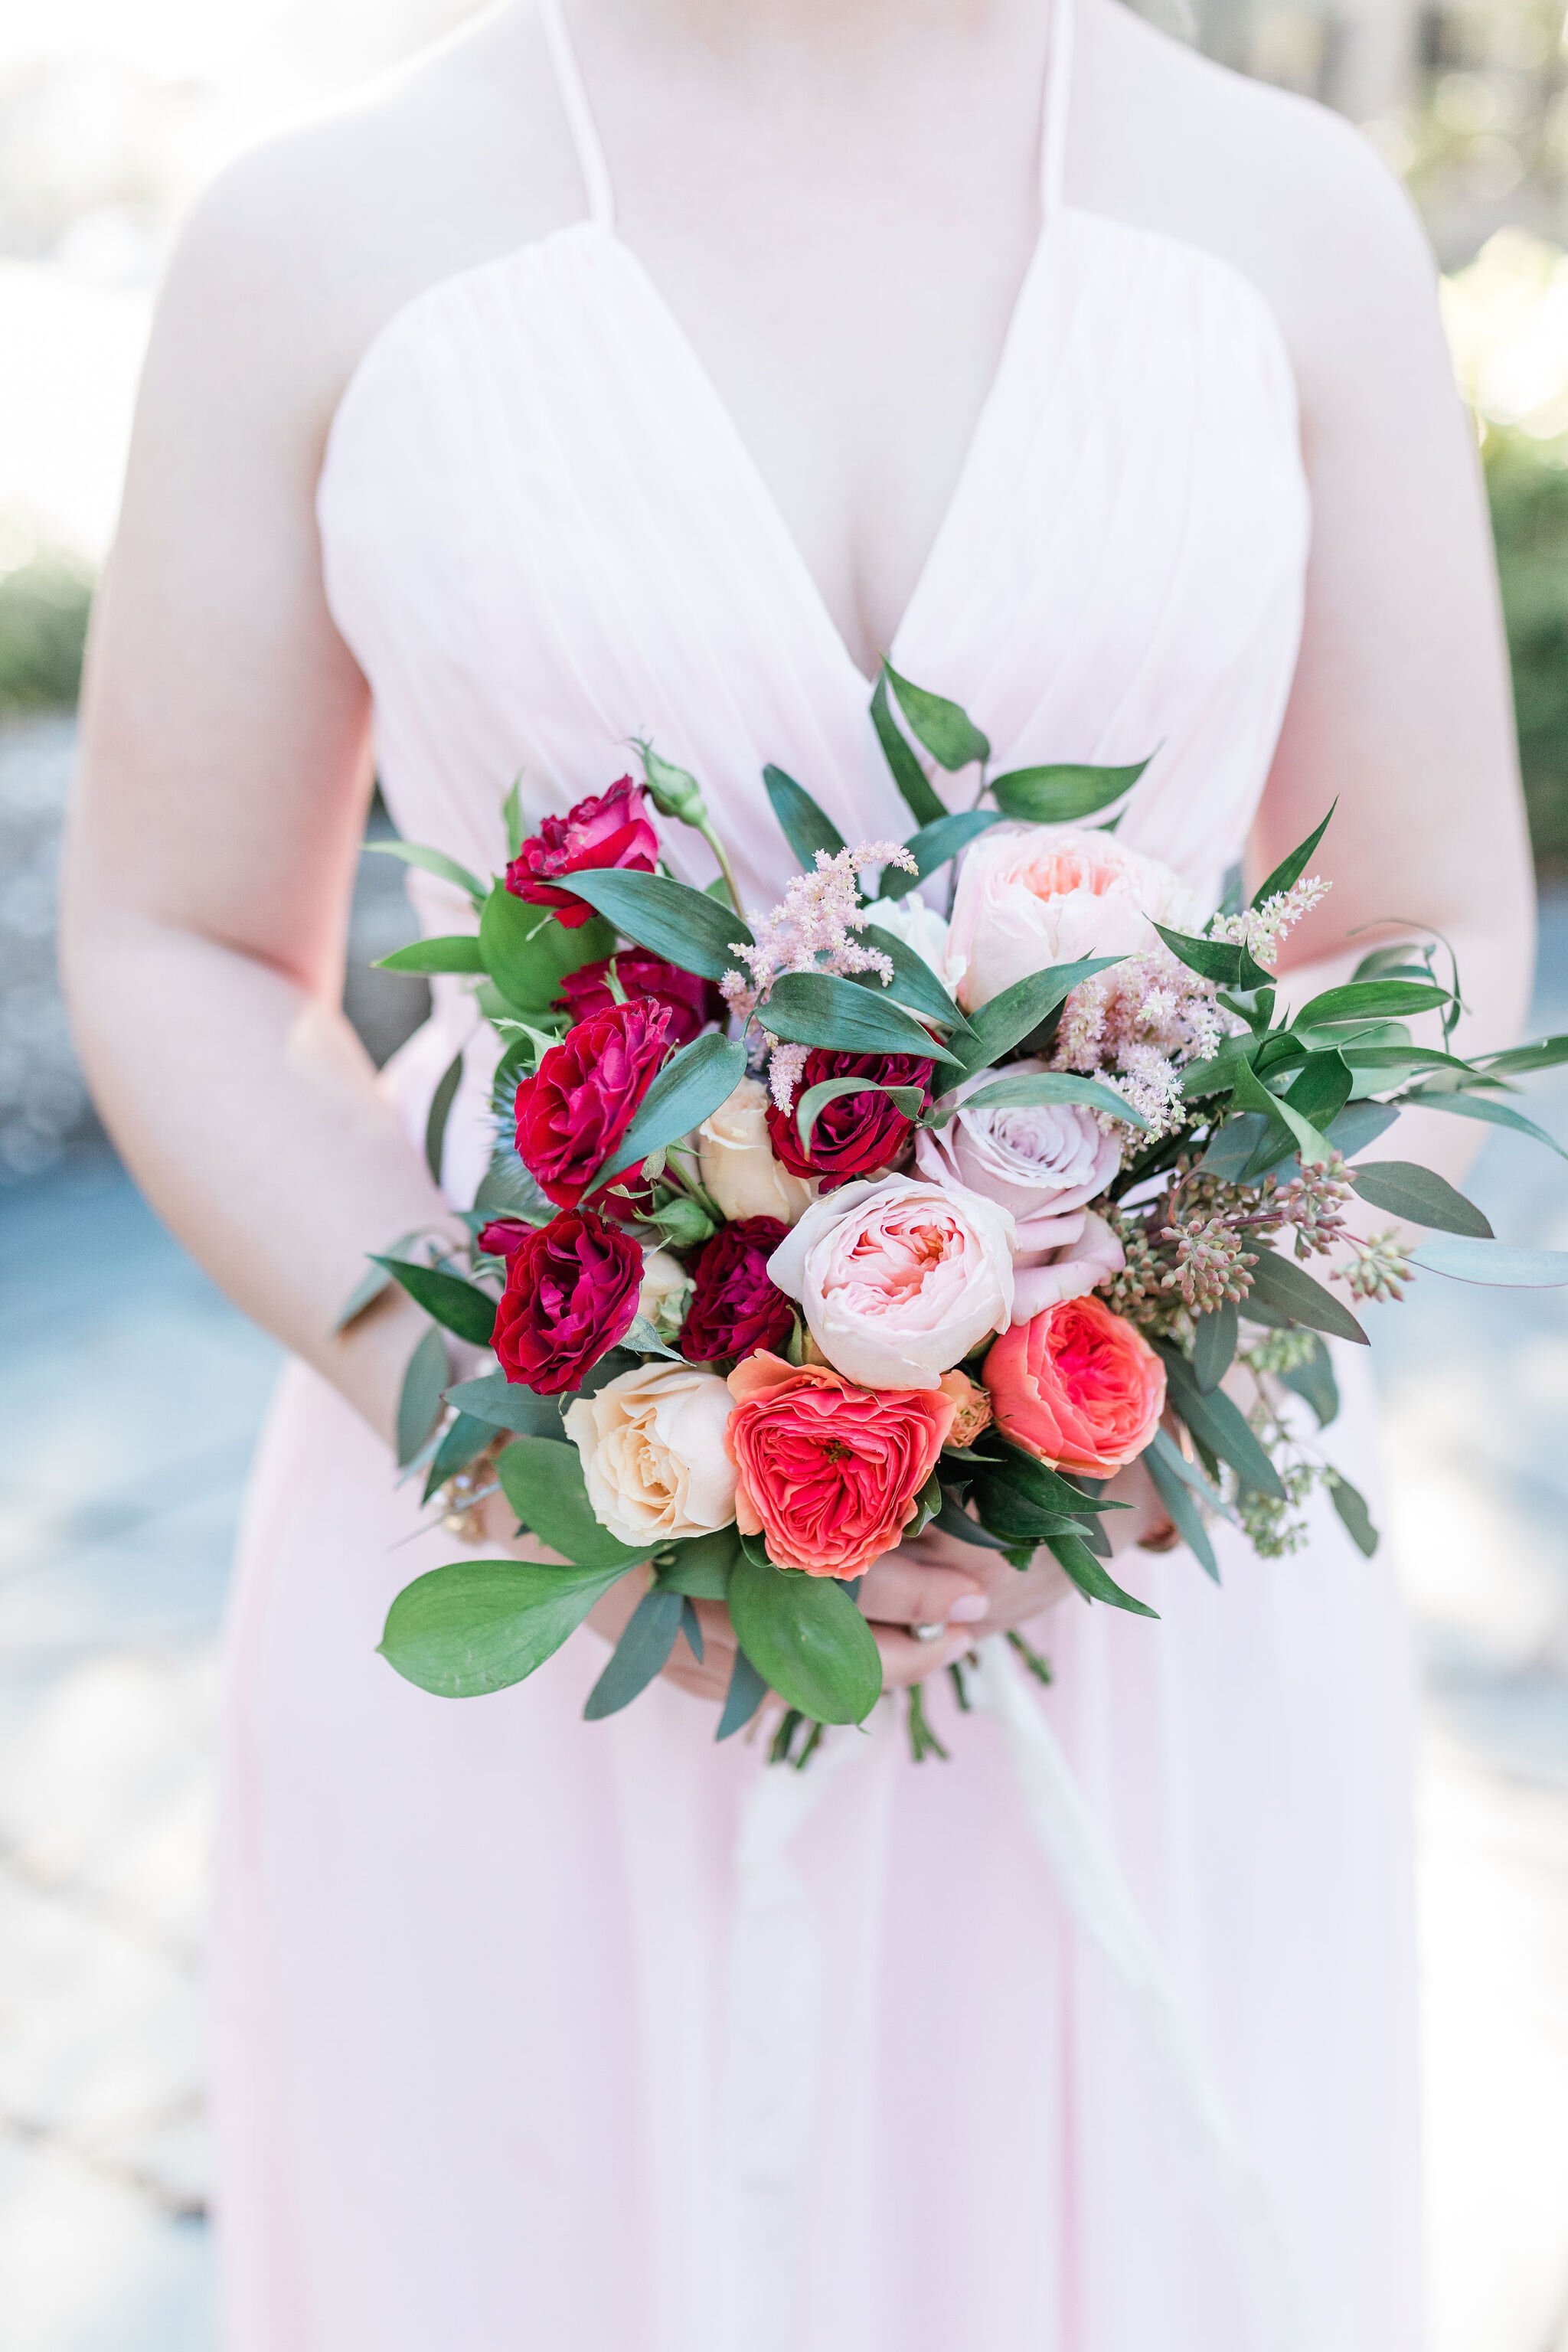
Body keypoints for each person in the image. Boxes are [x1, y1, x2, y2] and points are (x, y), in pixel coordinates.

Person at [61, 0, 1534, 2343]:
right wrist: (540, 1450)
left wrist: (1162, 1367)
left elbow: (1430, 918)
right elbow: (180, 936)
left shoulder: (1287, 216)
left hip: (1142, 1569)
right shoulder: (317, 238)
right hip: (521, 1561)